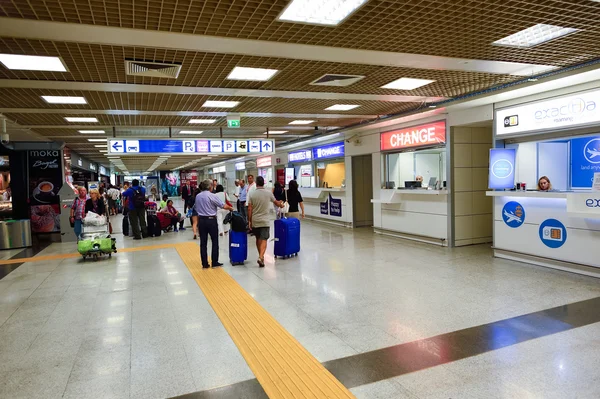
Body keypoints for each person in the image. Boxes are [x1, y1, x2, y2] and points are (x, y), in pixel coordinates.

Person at [195, 179, 233, 268]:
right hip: (211, 220)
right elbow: (223, 205)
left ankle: (204, 263)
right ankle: (214, 262)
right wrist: (231, 208)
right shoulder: (212, 196)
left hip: (201, 221)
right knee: (214, 241)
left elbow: (196, 208)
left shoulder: (198, 196)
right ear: (210, 187)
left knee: (203, 243)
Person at [248, 176, 285, 267]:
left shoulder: (252, 194)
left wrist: (249, 220)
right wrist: (281, 205)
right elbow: (277, 203)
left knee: (257, 238)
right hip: (265, 221)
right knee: (264, 239)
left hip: (255, 220)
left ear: (256, 183)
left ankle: (261, 257)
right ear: (263, 183)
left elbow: (249, 208)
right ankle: (261, 256)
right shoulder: (268, 193)